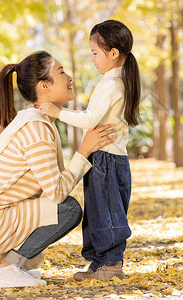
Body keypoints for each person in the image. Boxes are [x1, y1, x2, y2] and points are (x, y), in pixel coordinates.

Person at [0, 50, 116, 288]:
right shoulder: (36, 129)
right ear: (43, 86)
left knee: (66, 208)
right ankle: (7, 268)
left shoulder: (38, 123)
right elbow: (57, 193)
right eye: (61, 72)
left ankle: (11, 265)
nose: (69, 77)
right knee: (68, 209)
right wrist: (84, 151)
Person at [38, 19, 140, 281]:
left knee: (106, 211)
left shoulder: (110, 84)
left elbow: (89, 120)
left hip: (105, 158)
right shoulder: (121, 81)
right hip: (110, 158)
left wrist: (57, 112)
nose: (93, 59)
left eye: (95, 53)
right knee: (98, 211)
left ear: (113, 53)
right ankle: (99, 264)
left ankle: (112, 264)